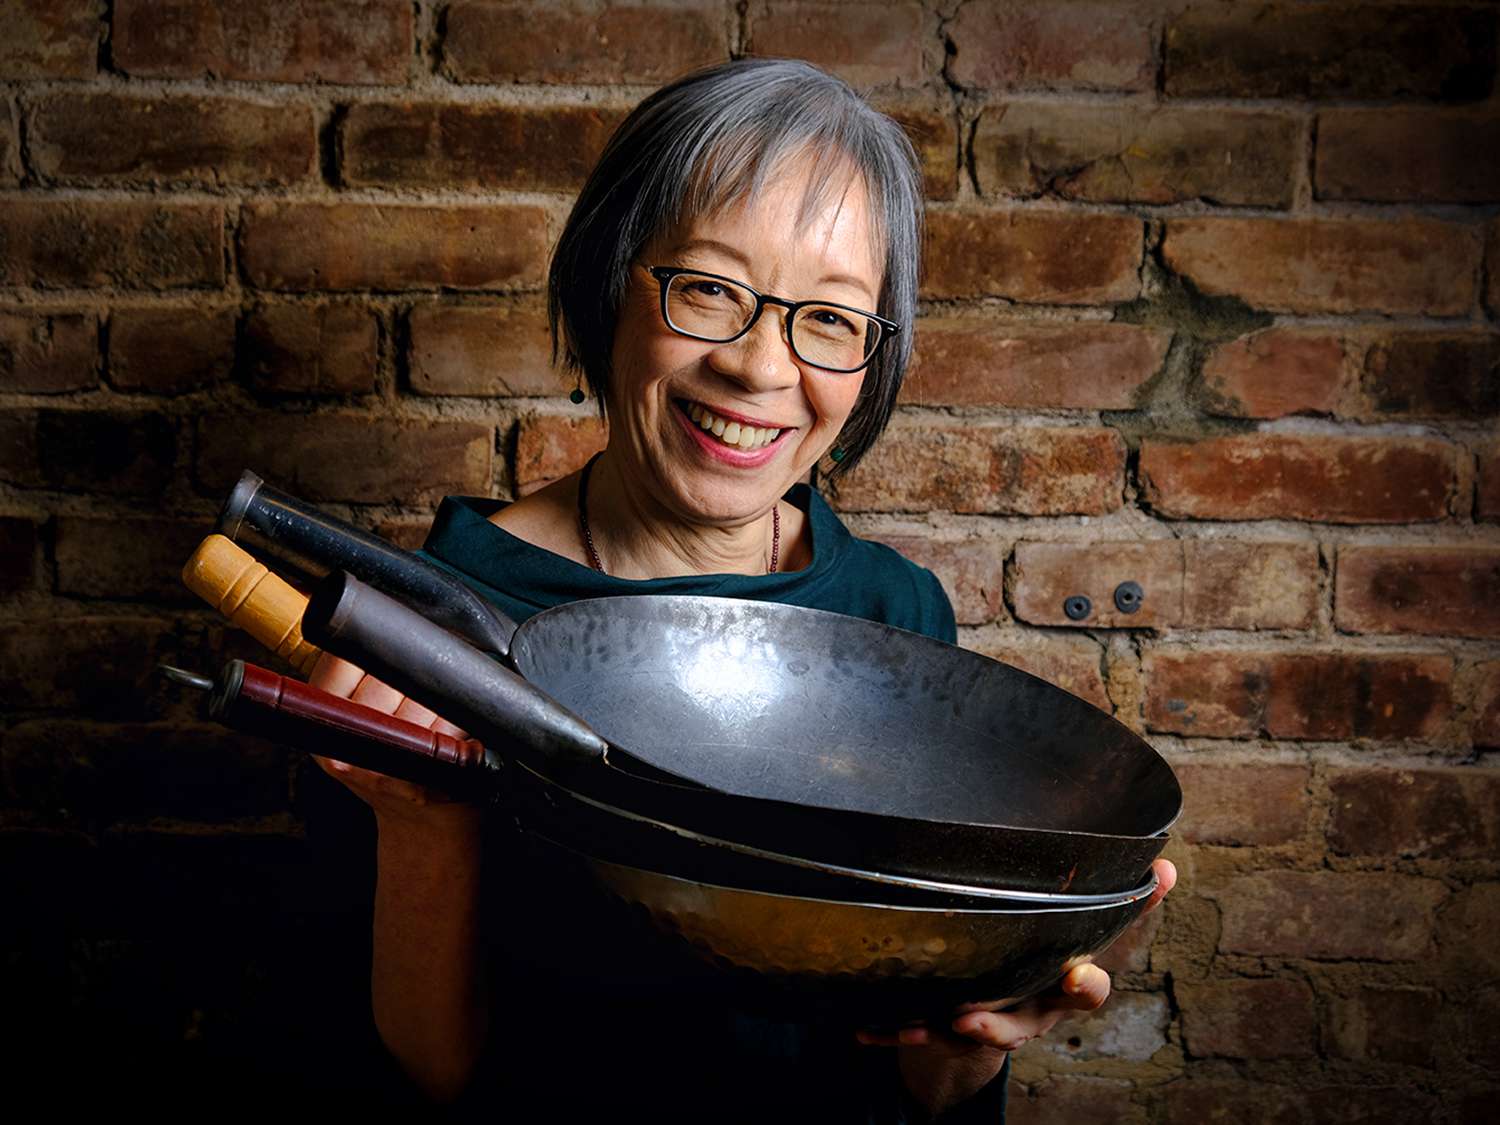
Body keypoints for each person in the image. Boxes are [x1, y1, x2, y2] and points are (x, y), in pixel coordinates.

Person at [306, 57, 1175, 1122]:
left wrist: (977, 1035)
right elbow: (424, 1080)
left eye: (829, 318)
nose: (762, 369)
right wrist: (420, 827)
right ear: (606, 288)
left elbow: (925, 1088)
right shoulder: (426, 622)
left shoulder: (896, 618)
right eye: (711, 289)